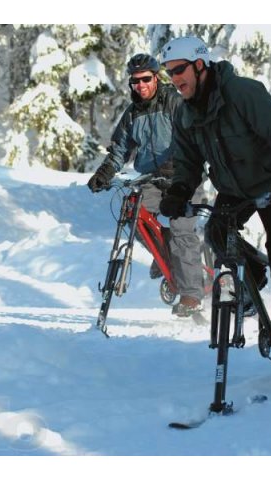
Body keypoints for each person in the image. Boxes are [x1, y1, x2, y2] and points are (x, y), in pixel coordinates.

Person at [158, 37, 271, 384]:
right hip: (235, 190)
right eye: (170, 73)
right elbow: (186, 162)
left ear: (200, 65)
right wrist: (180, 190)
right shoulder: (186, 113)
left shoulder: (242, 93)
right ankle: (254, 277)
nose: (175, 79)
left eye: (179, 70)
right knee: (217, 234)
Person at [87, 53, 205, 317]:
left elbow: (193, 138)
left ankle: (191, 295)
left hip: (184, 178)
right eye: (135, 82)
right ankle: (165, 254)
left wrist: (178, 163)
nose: (140, 86)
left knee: (181, 229)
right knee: (132, 215)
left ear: (156, 78)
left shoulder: (174, 103)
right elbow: (119, 150)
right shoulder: (133, 114)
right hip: (152, 180)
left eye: (145, 79)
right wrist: (104, 173)